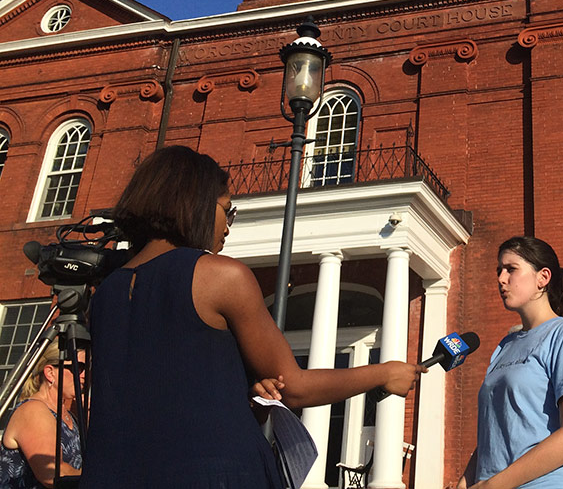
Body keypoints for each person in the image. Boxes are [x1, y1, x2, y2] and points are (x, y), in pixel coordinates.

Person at [79, 146, 424, 489]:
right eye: (226, 211)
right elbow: (296, 388)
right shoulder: (220, 276)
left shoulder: (105, 294)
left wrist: (248, 398)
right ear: (195, 202)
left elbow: (163, 394)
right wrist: (384, 372)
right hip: (216, 473)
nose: (227, 228)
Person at [454, 236, 563, 489]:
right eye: (499, 270)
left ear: (543, 277)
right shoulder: (505, 345)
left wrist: (492, 486)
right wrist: (466, 481)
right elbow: (498, 429)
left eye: (511, 269)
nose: (501, 278)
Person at [0, 341, 84, 489]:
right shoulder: (33, 410)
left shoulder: (69, 416)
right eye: (79, 368)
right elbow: (52, 473)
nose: (84, 375)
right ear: (50, 372)